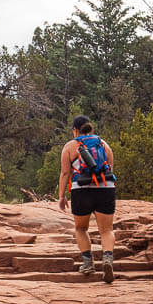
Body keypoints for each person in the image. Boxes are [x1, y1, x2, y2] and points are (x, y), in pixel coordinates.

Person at [57, 115, 116, 283]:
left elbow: (65, 173)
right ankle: (107, 259)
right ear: (91, 129)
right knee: (106, 230)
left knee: (81, 228)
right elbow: (110, 169)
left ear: (75, 130)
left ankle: (88, 262)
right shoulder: (104, 145)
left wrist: (62, 196)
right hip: (105, 188)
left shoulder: (70, 146)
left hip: (81, 190)